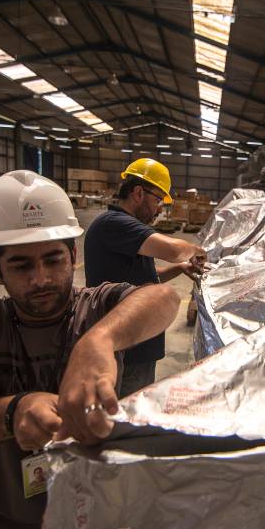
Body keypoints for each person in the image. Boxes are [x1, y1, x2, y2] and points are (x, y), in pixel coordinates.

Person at [0, 170, 179, 529]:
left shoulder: (97, 306)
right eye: (21, 266)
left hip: (90, 524)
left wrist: (99, 340)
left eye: (54, 260)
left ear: (73, 255)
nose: (41, 279)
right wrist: (12, 412)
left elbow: (162, 299)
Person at [83, 158, 206, 396]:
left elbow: (144, 277)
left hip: (137, 344)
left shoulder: (123, 230)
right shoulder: (115, 223)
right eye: (158, 199)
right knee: (125, 415)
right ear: (138, 192)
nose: (160, 208)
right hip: (128, 348)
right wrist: (195, 251)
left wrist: (180, 268)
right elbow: (172, 250)